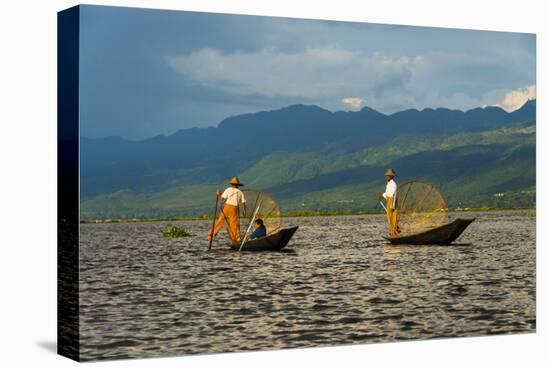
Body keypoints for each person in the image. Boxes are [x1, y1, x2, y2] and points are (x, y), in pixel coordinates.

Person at [207, 177, 247, 244]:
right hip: (234, 208)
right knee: (233, 224)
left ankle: (211, 235)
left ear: (232, 184)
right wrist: (244, 211)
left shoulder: (228, 189)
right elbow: (243, 202)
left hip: (227, 206)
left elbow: (222, 199)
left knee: (220, 220)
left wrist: (218, 194)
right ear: (237, 185)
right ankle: (237, 238)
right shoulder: (240, 192)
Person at [376, 168, 399, 236]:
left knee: (393, 218)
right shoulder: (388, 184)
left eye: (388, 176)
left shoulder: (393, 184)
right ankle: (393, 232)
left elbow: (394, 195)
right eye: (386, 176)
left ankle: (395, 233)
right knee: (389, 218)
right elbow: (387, 193)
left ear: (391, 176)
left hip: (392, 202)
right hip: (389, 201)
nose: (386, 177)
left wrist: (393, 206)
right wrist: (381, 196)